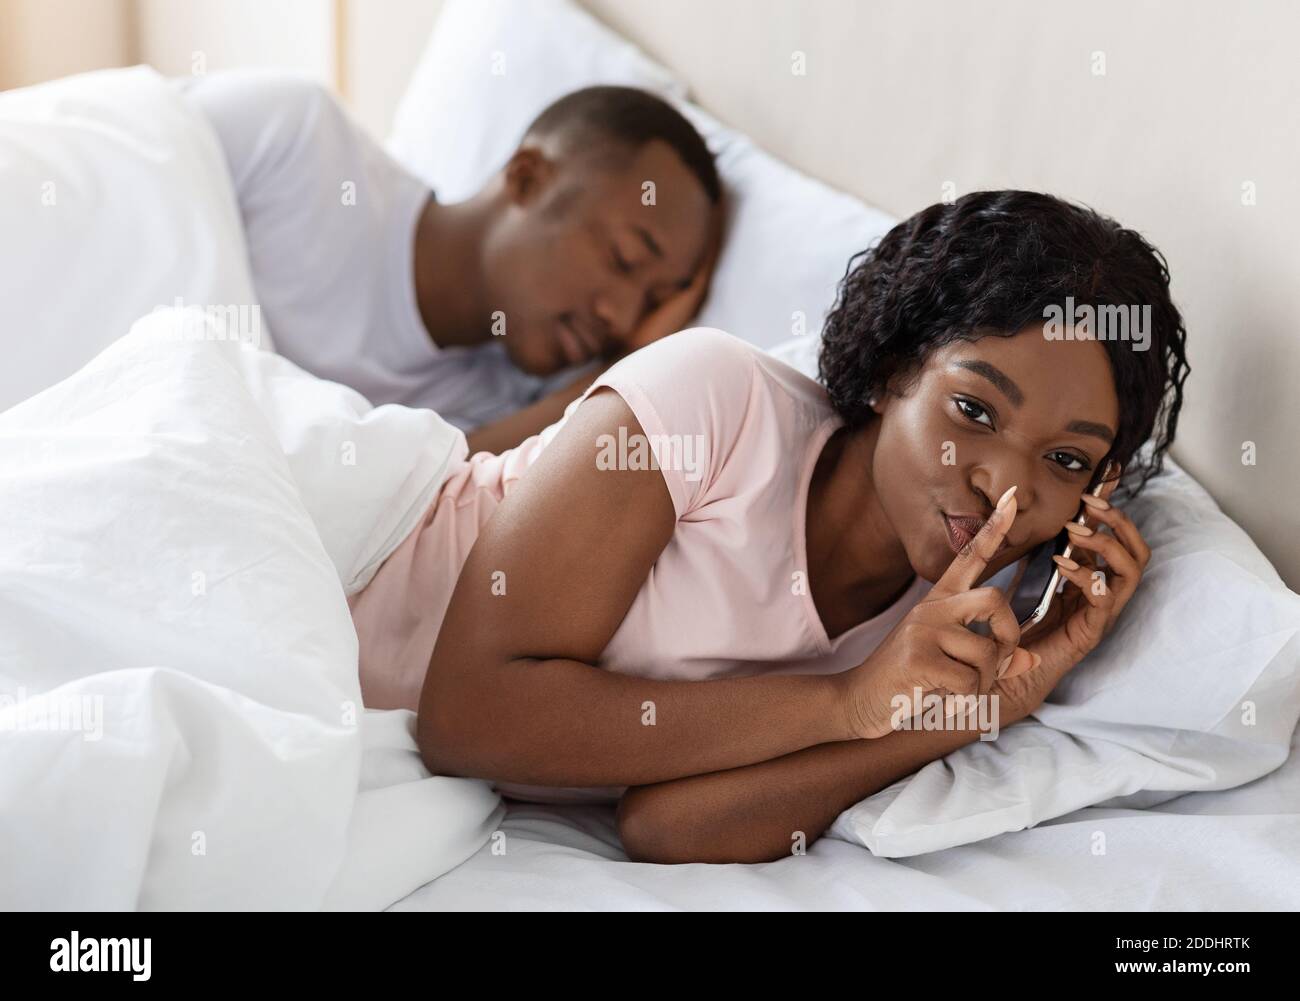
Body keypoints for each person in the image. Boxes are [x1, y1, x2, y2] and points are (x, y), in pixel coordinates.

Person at [347, 190, 1190, 864]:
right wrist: (847, 701)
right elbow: (469, 718)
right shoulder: (713, 401)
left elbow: (670, 826)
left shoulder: (950, 619)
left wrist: (978, 710)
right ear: (895, 367)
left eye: (1068, 462)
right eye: (973, 409)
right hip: (337, 573)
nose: (1006, 483)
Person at [179, 71, 723, 452]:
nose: (623, 318)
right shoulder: (296, 141)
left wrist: (621, 374)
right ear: (527, 179)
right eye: (625, 259)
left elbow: (406, 506)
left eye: (654, 302)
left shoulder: (503, 412)